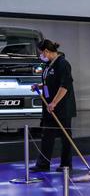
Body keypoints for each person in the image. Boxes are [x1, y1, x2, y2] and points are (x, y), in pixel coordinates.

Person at [30, 39, 77, 172]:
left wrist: (54, 102)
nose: (41, 56)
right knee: (47, 136)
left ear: (46, 51)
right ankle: (43, 164)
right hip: (49, 108)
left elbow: (64, 86)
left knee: (65, 137)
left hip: (62, 108)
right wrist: (39, 86)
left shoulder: (63, 64)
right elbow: (50, 82)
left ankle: (66, 164)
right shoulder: (48, 65)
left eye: (41, 53)